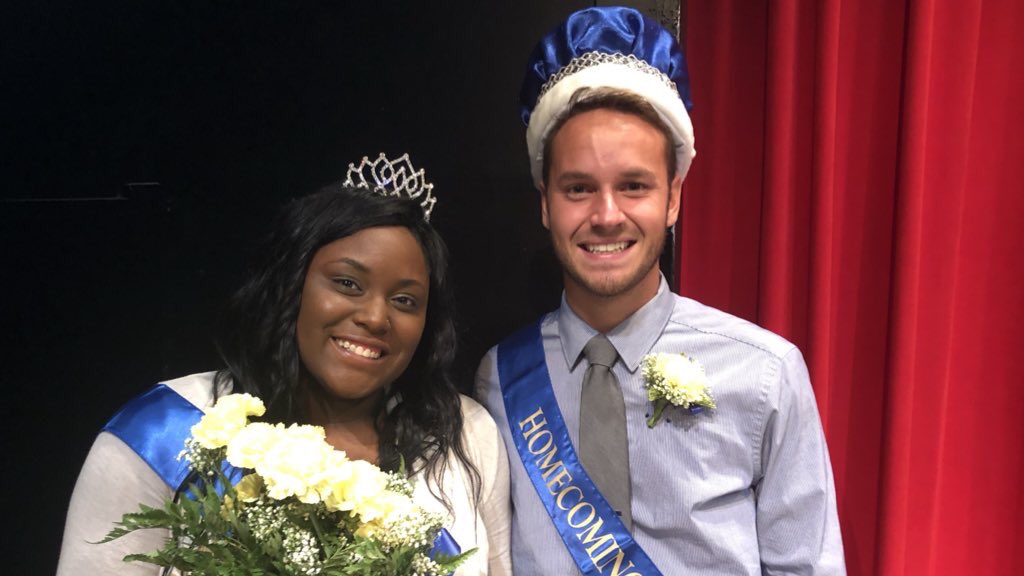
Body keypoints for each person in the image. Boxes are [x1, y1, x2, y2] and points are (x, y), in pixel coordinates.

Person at [475, 7, 845, 575]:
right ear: (544, 203)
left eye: (634, 187)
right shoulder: (501, 378)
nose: (605, 215)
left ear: (672, 199)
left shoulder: (767, 372)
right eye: (578, 188)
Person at [57, 153, 512, 575]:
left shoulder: (466, 437)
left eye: (405, 300)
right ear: (292, 284)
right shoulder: (161, 433)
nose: (376, 316)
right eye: (348, 283)